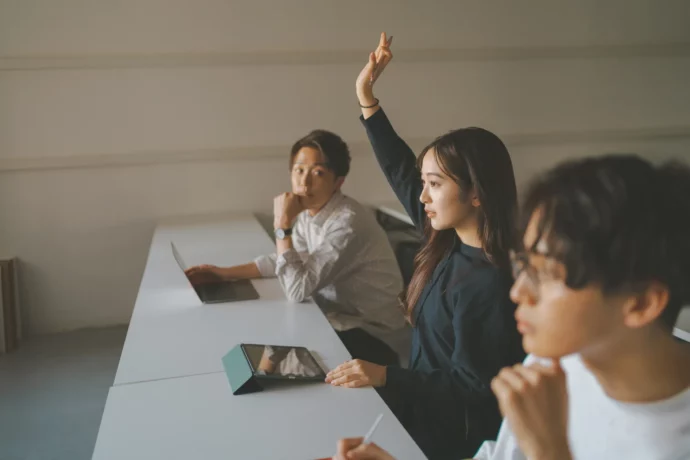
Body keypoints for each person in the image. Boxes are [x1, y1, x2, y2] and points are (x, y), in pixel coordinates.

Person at [334, 155, 690, 460]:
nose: (518, 292)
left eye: (546, 274)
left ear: (641, 303)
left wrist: (549, 451)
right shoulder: (556, 363)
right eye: (524, 267)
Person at [326, 33, 525, 459]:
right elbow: (400, 170)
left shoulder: (491, 280)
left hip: (457, 441)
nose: (422, 196)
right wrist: (367, 99)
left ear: (477, 193)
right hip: (424, 413)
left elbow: (473, 384)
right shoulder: (446, 238)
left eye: (434, 185)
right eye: (425, 184)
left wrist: (386, 376)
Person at [186, 129, 406, 366]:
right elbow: (287, 259)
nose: (304, 182)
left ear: (338, 182)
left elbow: (297, 290)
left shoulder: (347, 222)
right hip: (336, 317)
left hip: (373, 333)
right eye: (299, 170)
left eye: (318, 172)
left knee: (273, 348)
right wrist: (222, 273)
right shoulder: (311, 212)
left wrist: (282, 224)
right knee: (265, 338)